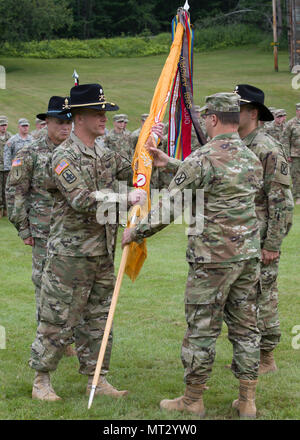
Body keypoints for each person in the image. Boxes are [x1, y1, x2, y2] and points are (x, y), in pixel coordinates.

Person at [122, 92, 264, 418]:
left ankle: (193, 399)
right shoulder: (250, 157)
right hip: (247, 257)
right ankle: (247, 402)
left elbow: (171, 205)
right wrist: (169, 162)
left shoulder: (203, 158)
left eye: (204, 117)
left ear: (213, 119)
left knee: (201, 329)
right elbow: (218, 178)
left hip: (212, 259)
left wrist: (135, 231)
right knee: (245, 330)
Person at [28, 83, 158, 402]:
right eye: (97, 113)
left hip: (103, 251)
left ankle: (97, 378)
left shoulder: (104, 152)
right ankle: (41, 380)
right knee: (58, 317)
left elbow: (135, 172)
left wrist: (151, 148)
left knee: (100, 319)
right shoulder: (62, 155)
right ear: (79, 117)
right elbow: (82, 199)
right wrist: (125, 198)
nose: (104, 118)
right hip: (69, 255)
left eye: (104, 112)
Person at [234, 84, 293, 374]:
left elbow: (281, 201)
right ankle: (248, 355)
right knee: (243, 298)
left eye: (239, 108)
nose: (232, 112)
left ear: (253, 113)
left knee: (263, 294)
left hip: (261, 239)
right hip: (238, 239)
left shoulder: (267, 149)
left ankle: (267, 357)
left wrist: (272, 244)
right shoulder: (235, 145)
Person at [6, 97, 73, 333]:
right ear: (46, 123)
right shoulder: (29, 152)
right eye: (59, 122)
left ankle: (68, 337)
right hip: (43, 231)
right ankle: (46, 335)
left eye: (69, 122)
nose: (65, 127)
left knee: (72, 285)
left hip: (75, 232)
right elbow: (15, 192)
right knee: (45, 283)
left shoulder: (76, 152)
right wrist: (23, 228)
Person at [281, 103, 300, 204]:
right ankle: (297, 196)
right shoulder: (291, 123)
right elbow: (285, 140)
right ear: (297, 111)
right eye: (299, 110)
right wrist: (287, 154)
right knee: (295, 176)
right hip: (295, 154)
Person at [0, 115, 12, 217]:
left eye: (5, 125)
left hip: (7, 167)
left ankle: (6, 210)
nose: (3, 127)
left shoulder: (10, 137)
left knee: (6, 189)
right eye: (1, 125)